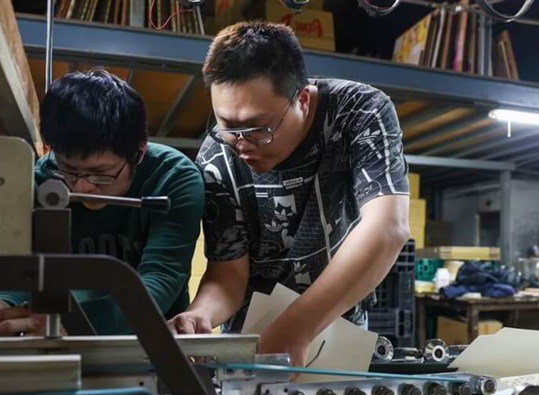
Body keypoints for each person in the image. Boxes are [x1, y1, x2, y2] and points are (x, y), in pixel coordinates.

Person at [168, 21, 410, 367]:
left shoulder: (359, 112)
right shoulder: (216, 154)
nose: (243, 144)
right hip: (248, 345)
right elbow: (228, 274)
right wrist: (199, 315)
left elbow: (388, 229)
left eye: (259, 128)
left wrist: (296, 329)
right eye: (229, 127)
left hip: (334, 334)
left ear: (304, 100)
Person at [0, 69, 204, 336]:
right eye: (68, 170)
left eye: (101, 174)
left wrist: (70, 324)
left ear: (138, 153)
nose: (82, 186)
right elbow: (27, 269)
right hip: (59, 333)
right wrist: (0, 304)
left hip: (151, 338)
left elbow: (160, 277)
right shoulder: (42, 180)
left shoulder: (174, 178)